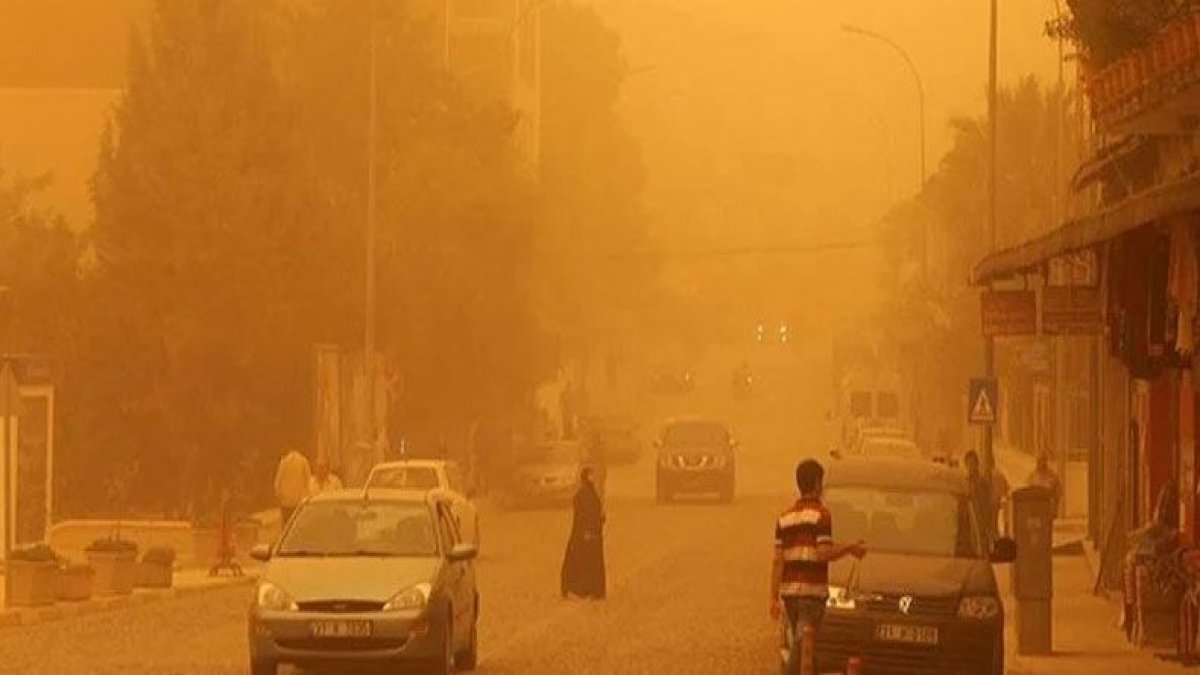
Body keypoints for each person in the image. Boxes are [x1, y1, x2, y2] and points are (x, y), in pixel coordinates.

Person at [770, 459, 866, 675]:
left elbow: (778, 561)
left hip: (789, 595)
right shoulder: (821, 516)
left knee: (807, 650)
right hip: (811, 595)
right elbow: (823, 553)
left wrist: (773, 597)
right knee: (804, 644)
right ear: (816, 483)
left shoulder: (784, 518)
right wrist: (850, 548)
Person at [560, 467, 607, 600]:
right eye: (590, 475)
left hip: (592, 533)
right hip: (585, 534)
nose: (592, 478)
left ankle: (593, 590)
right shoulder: (583, 495)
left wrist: (600, 518)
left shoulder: (591, 493)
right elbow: (583, 515)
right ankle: (581, 588)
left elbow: (594, 512)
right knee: (583, 561)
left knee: (590, 561)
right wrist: (587, 530)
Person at [964, 451, 1010, 547]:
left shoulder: (982, 483)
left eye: (972, 463)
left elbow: (987, 505)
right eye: (968, 464)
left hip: (981, 525)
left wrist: (985, 524)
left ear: (977, 464)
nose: (970, 466)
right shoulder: (964, 482)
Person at [274, 448, 312, 527]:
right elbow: (308, 479)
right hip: (299, 501)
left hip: (286, 501)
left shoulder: (284, 462)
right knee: (298, 524)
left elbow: (278, 481)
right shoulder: (303, 461)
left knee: (287, 524)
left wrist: (279, 495)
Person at [1025, 452, 1063, 518]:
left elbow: (1058, 494)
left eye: (1043, 460)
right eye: (1039, 460)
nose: (1041, 463)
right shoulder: (1032, 476)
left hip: (1048, 509)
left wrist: (1055, 510)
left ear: (1046, 461)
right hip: (1035, 510)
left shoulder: (1052, 476)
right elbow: (1027, 492)